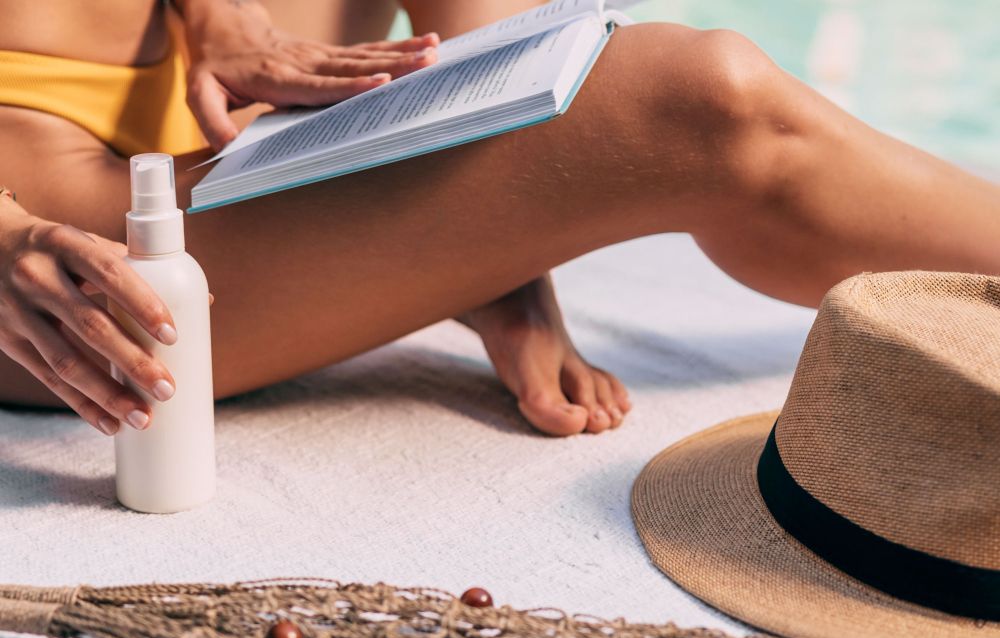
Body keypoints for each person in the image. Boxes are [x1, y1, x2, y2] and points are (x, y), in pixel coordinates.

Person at [0, 0, 997, 440]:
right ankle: (492, 243)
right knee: (703, 100)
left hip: (225, 66)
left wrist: (213, 10)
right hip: (60, 218)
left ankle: (497, 257)